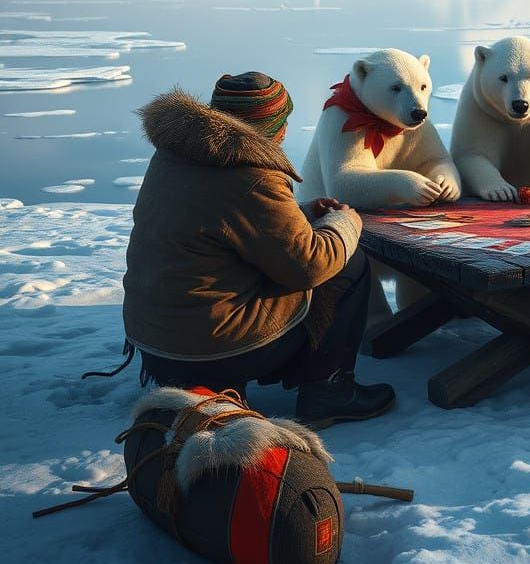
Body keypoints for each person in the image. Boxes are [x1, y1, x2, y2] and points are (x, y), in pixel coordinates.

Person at [121, 71, 395, 426]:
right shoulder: (251, 174)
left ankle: (213, 383)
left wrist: (302, 212)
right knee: (347, 263)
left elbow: (223, 221)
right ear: (274, 126)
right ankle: (328, 390)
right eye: (284, 123)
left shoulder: (175, 154)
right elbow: (308, 266)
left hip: (157, 345)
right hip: (211, 351)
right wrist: (345, 222)